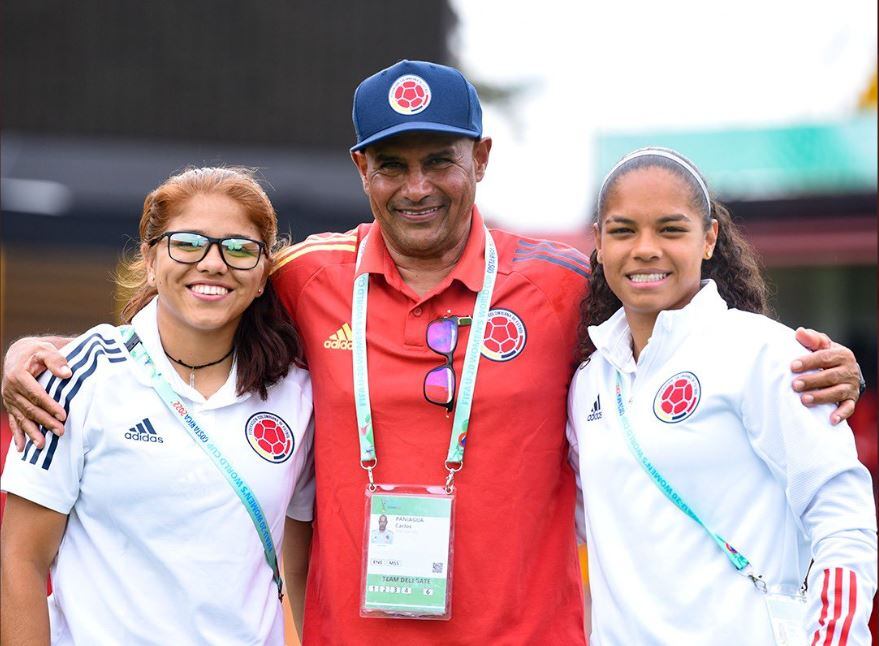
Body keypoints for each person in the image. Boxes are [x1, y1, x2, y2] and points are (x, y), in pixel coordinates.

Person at [1, 61, 865, 645]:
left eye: (439, 160)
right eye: (392, 163)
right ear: (361, 170)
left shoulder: (561, 283)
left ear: (480, 159)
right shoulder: (308, 279)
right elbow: (194, 310)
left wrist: (803, 356)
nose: (417, 185)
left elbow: (670, 309)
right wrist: (41, 351)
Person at [567, 148, 877, 644]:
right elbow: (576, 523)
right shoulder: (590, 381)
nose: (645, 249)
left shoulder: (766, 353)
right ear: (599, 242)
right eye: (623, 230)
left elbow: (842, 515)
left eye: (671, 229)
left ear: (709, 238)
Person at [0, 167, 315, 645]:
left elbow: (302, 569)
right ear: (149, 259)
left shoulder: (297, 394)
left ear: (261, 276)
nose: (213, 263)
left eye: (238, 248)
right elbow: (19, 560)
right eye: (187, 243)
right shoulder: (78, 375)